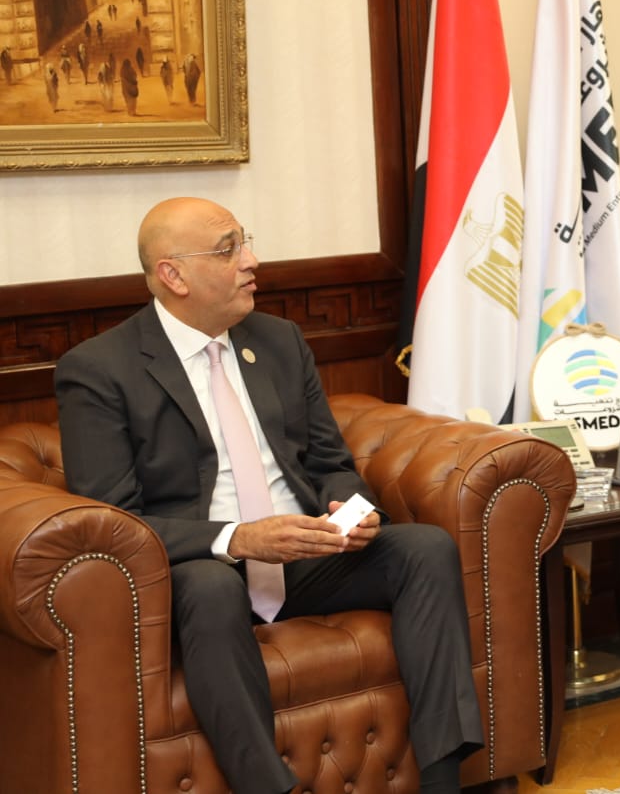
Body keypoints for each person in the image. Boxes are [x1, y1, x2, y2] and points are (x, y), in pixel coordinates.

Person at [54, 197, 483, 794]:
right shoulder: (100, 369)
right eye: (227, 249)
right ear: (173, 275)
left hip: (304, 554)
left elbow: (330, 462)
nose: (251, 261)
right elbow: (115, 519)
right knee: (209, 586)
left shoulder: (278, 340)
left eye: (245, 241)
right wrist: (238, 539)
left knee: (424, 550)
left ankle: (442, 782)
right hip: (200, 569)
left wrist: (353, 511)